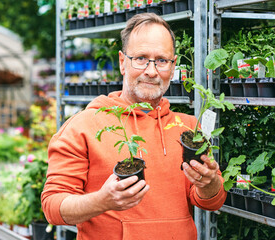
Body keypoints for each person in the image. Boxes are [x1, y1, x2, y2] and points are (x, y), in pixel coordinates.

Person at [41, 13, 227, 240]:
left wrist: (210, 182)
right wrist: (102, 200)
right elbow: (53, 206)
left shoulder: (189, 129)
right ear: (122, 62)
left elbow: (212, 201)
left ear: (173, 65)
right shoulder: (84, 125)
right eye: (140, 58)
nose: (151, 71)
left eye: (161, 60)